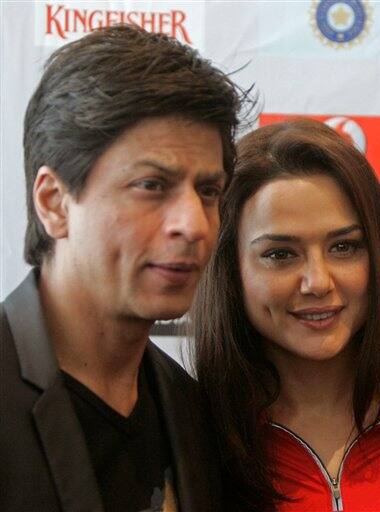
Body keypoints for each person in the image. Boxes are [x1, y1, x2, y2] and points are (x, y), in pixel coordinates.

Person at [0, 24, 247, 512]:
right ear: (55, 202)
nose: (193, 225)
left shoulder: (191, 409)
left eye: (208, 191)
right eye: (152, 185)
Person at [193, 119, 380, 511]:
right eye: (280, 254)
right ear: (230, 270)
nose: (318, 281)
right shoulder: (191, 436)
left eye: (344, 247)